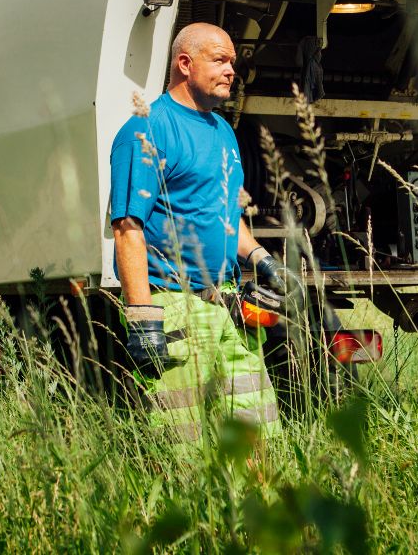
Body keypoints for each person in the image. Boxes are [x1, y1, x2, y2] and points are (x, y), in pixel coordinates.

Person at [109, 22, 304, 441]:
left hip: (227, 304)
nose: (232, 70)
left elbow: (226, 216)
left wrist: (262, 260)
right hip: (173, 304)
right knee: (184, 443)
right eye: (220, 60)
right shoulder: (146, 130)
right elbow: (127, 228)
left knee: (258, 436)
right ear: (185, 63)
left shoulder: (223, 132)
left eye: (232, 62)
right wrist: (142, 317)